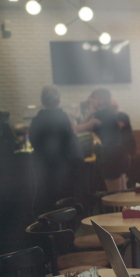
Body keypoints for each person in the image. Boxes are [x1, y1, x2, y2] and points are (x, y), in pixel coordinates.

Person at [29, 85, 84, 214]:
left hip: (43, 165)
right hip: (63, 165)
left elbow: (33, 141)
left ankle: (48, 228)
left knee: (46, 196)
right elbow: (70, 140)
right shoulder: (64, 117)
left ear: (42, 101)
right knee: (64, 197)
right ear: (58, 101)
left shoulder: (37, 119)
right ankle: (65, 226)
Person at [78, 89, 129, 191]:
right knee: (123, 191)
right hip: (120, 152)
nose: (90, 100)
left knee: (115, 195)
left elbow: (78, 129)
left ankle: (119, 207)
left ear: (101, 101)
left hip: (110, 155)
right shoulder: (109, 113)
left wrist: (67, 119)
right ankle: (128, 207)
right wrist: (91, 112)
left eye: (93, 98)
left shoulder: (100, 116)